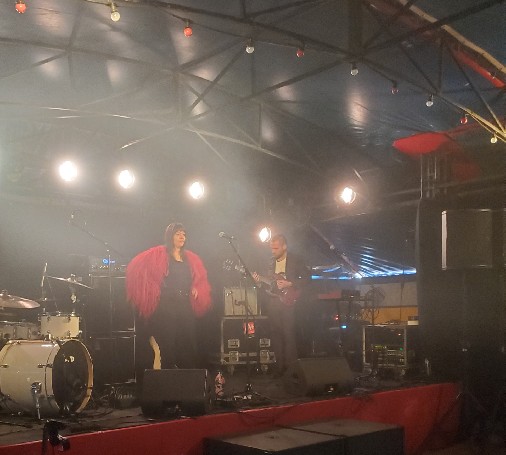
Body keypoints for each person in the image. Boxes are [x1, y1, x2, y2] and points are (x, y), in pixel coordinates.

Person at [126, 223, 211, 374]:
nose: (182, 237)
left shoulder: (190, 258)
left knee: (188, 340)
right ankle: (168, 377)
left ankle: (189, 377)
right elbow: (137, 267)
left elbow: (197, 278)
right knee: (168, 341)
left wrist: (196, 288)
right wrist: (153, 289)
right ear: (170, 236)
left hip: (184, 304)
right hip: (166, 305)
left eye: (184, 234)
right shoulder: (159, 254)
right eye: (178, 234)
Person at [252, 234, 310, 377]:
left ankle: (292, 369)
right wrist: (258, 281)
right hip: (274, 300)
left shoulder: (295, 260)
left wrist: (290, 283)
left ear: (284, 247)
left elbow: (307, 278)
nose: (273, 251)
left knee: (289, 334)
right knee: (275, 334)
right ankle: (279, 368)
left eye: (276, 248)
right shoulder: (270, 262)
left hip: (289, 299)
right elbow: (269, 284)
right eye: (271, 248)